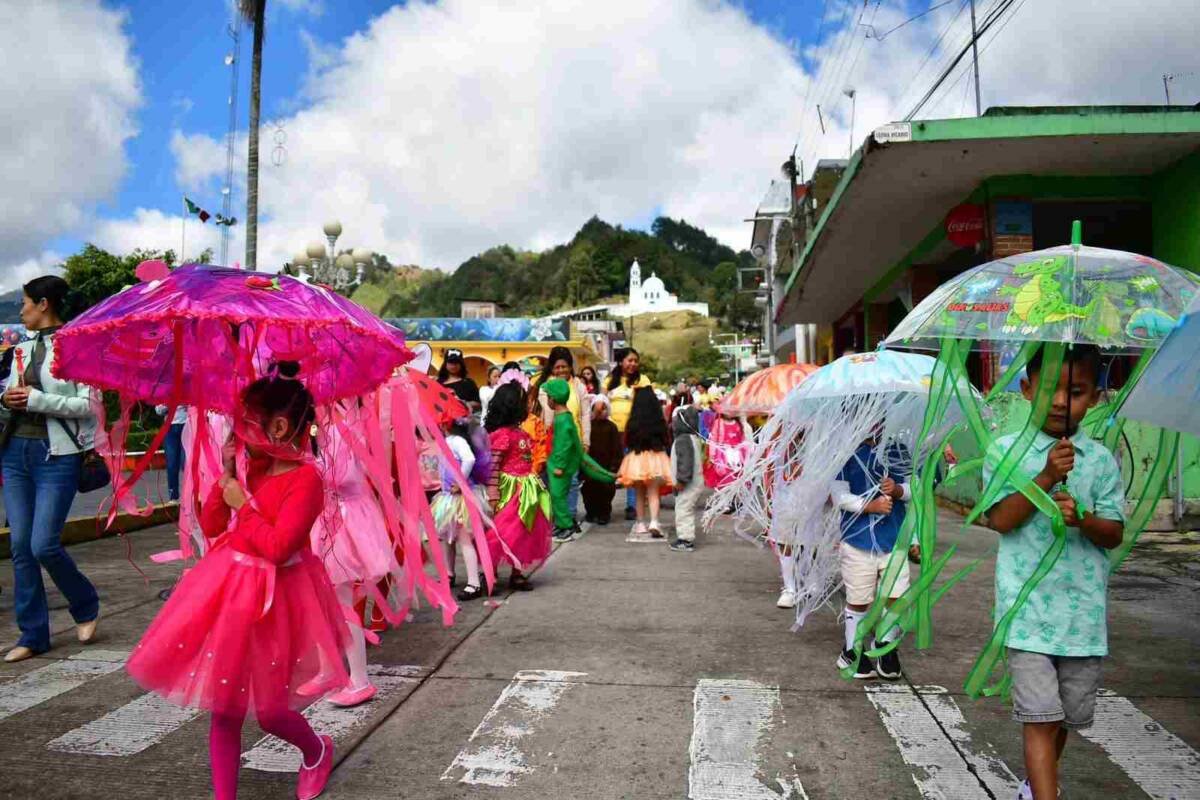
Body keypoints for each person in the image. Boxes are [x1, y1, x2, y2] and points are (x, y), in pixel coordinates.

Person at [126, 364, 346, 800]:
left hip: (276, 599)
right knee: (224, 709)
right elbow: (212, 525)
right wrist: (224, 477)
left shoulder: (307, 479)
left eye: (248, 421)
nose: (240, 431)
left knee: (269, 713)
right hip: (230, 592)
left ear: (279, 425)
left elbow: (279, 546)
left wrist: (242, 504)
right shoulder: (254, 469)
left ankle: (317, 749)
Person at [983, 344, 1123, 800]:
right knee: (1039, 717)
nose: (1062, 401)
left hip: (1081, 618)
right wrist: (1044, 478)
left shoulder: (1101, 461)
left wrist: (1083, 520)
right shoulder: (1006, 451)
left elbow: (1113, 533)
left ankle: (1035, 786)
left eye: (1076, 391)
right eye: (1049, 390)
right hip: (1027, 614)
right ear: (1026, 390)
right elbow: (1000, 520)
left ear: (1095, 398)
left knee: (1063, 717)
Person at [0, 277, 100, 664]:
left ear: (43, 304)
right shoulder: (21, 348)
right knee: (20, 547)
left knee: (44, 544)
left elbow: (89, 405)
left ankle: (86, 602)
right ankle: (33, 634)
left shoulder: (77, 346)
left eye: (25, 303)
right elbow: (12, 395)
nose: (21, 310)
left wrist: (37, 399)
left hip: (56, 455)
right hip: (15, 453)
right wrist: (8, 398)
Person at [309, 404, 399, 708]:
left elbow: (344, 478)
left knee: (342, 601)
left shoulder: (343, 427)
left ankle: (360, 679)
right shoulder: (325, 428)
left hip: (346, 523)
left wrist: (309, 467)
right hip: (328, 520)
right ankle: (327, 670)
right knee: (322, 601)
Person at [831, 437, 913, 681]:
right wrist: (870, 505)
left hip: (894, 539)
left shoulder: (898, 450)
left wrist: (897, 490)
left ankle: (886, 644)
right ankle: (851, 650)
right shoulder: (845, 451)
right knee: (859, 598)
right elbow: (839, 495)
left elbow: (914, 488)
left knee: (897, 595)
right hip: (858, 541)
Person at [484, 382, 552, 591]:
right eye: (524, 401)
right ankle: (490, 572)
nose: (528, 405)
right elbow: (493, 466)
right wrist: (493, 492)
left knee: (523, 532)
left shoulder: (521, 433)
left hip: (526, 490)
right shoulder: (502, 435)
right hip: (508, 490)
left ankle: (517, 571)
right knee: (500, 531)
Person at [543, 379, 613, 542]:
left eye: (548, 397)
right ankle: (561, 524)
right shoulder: (563, 417)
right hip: (557, 464)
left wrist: (559, 465)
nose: (547, 400)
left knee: (558, 496)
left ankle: (567, 526)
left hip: (560, 467)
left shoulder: (563, 419)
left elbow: (564, 445)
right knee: (556, 496)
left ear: (553, 399)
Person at [431, 418, 491, 601]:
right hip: (449, 497)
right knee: (448, 538)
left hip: (460, 499)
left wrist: (460, 481)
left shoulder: (455, 441)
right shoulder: (452, 440)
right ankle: (449, 574)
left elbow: (469, 459)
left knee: (464, 539)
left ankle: (474, 583)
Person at [534, 346, 592, 533]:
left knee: (572, 481)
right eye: (557, 367)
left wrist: (586, 440)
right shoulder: (546, 387)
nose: (560, 371)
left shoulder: (579, 386)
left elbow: (585, 415)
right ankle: (559, 521)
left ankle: (570, 518)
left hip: (572, 439)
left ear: (570, 367)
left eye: (564, 367)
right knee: (555, 484)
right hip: (553, 441)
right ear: (551, 368)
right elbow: (548, 413)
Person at [617, 386, 673, 538]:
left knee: (639, 493)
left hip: (636, 458)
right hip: (656, 458)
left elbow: (627, 441)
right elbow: (665, 439)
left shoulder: (633, 422)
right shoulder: (658, 420)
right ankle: (654, 522)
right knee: (654, 492)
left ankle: (640, 523)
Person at [605, 347, 652, 521]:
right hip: (610, 433)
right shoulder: (610, 380)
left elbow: (649, 405)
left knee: (633, 470)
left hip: (634, 433)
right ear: (621, 362)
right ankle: (603, 506)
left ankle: (632, 505)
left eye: (635, 361)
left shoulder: (643, 380)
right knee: (610, 469)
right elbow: (601, 402)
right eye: (629, 360)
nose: (633, 364)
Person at [581, 395, 622, 525]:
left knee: (606, 491)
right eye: (597, 409)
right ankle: (591, 512)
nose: (600, 412)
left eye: (603, 409)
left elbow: (616, 448)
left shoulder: (612, 427)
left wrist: (614, 466)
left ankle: (604, 514)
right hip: (590, 466)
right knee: (588, 490)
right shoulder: (588, 427)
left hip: (606, 466)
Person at [669, 405, 705, 552]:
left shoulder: (683, 440)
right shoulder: (693, 438)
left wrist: (682, 481)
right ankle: (685, 537)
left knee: (683, 509)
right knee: (686, 508)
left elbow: (686, 462)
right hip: (694, 481)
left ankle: (685, 539)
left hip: (688, 483)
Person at [155, 403, 189, 502]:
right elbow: (158, 410)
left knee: (186, 463)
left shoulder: (189, 387)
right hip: (170, 428)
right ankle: (173, 496)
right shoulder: (165, 389)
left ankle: (191, 493)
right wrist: (170, 402)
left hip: (187, 424)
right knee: (172, 463)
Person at [437, 348, 481, 414]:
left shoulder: (469, 383)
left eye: (457, 362)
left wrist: (463, 403)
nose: (454, 365)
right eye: (451, 362)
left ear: (461, 364)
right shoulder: (438, 383)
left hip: (463, 420)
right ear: (445, 364)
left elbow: (478, 403)